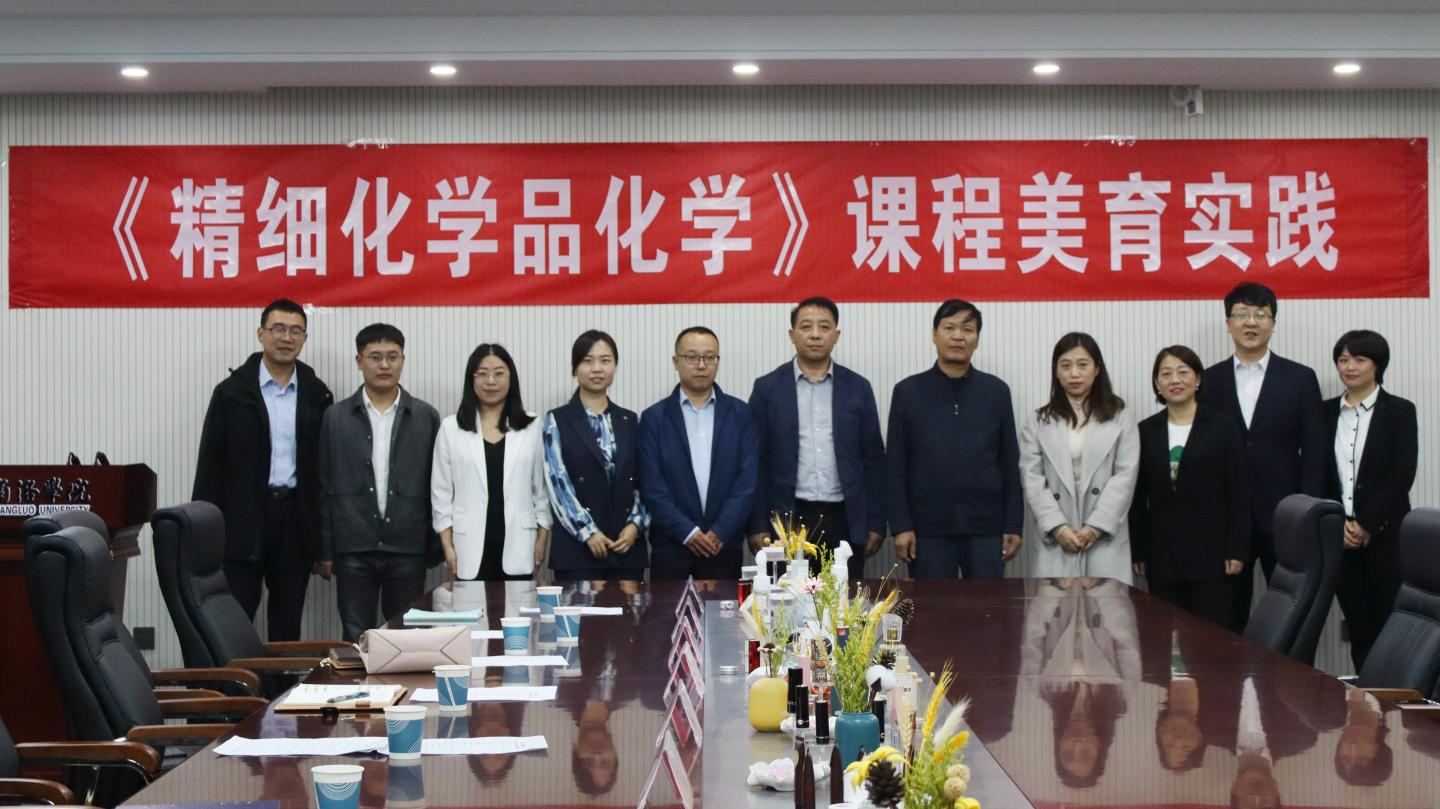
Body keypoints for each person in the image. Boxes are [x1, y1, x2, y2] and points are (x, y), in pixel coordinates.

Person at [193, 298, 333, 641]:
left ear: (304, 338)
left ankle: (282, 679)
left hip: (295, 522)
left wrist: (322, 543)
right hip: (242, 520)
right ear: (261, 334)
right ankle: (239, 679)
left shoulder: (317, 395)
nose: (286, 338)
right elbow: (210, 468)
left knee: (287, 624)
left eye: (296, 331)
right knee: (235, 620)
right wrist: (205, 537)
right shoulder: (231, 393)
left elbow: (324, 476)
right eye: (278, 329)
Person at [1198, 282, 1326, 633]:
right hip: (1226, 519)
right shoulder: (1208, 380)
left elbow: (1315, 451)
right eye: (1242, 314)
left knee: (1293, 615)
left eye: (1260, 314)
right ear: (1228, 323)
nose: (1251, 322)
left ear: (1273, 323)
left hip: (1285, 515)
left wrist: (1307, 510)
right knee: (1225, 618)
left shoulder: (1300, 378)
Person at [316, 323, 441, 642]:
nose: (384, 365)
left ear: (403, 360)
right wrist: (325, 549)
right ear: (359, 361)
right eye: (375, 357)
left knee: (407, 638)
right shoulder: (336, 417)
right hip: (353, 547)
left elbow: (437, 487)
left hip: (407, 547)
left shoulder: (425, 416)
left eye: (392, 357)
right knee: (357, 636)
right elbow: (324, 486)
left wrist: (433, 546)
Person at [747, 297, 886, 579]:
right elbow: (755, 462)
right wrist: (757, 525)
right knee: (787, 600)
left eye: (824, 327)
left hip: (845, 517)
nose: (815, 334)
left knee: (843, 599)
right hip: (787, 519)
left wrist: (876, 522)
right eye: (806, 326)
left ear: (836, 335)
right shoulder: (767, 388)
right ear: (792, 334)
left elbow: (873, 459)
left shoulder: (858, 387)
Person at [887, 299, 1022, 579]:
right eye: (949, 328)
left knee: (988, 605)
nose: (958, 336)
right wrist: (901, 525)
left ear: (977, 339)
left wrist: (1013, 524)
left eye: (967, 329)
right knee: (931, 606)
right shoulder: (908, 392)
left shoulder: (996, 392)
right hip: (927, 531)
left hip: (987, 529)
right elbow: (896, 466)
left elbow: (1009, 463)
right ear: (934, 334)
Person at [1130, 346, 1249, 628]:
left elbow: (1239, 492)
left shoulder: (1223, 427)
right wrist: (1139, 550)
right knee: (1165, 634)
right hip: (1162, 554)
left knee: (1211, 635)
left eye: (1183, 372)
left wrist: (1237, 549)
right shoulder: (1145, 431)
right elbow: (1137, 497)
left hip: (1213, 553)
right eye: (1166, 374)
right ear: (1157, 383)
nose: (1175, 380)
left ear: (1197, 379)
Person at [1323, 330, 1417, 672]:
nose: (1350, 367)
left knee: (1390, 623)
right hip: (1340, 538)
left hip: (1385, 536)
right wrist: (1338, 524)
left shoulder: (1400, 411)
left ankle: (1396, 697)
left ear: (1378, 366)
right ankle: (1366, 695)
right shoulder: (1324, 413)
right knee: (1358, 626)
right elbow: (1319, 474)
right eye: (1343, 360)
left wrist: (1366, 524)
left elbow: (1402, 473)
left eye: (1359, 359)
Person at [638, 326, 758, 580]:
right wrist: (687, 532)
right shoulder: (653, 418)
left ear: (718, 361)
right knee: (667, 608)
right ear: (676, 361)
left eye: (710, 357)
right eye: (692, 357)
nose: (702, 365)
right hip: (671, 547)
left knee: (725, 608)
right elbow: (652, 485)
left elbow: (747, 480)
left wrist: (722, 529)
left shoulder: (741, 414)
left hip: (723, 547)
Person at [1020, 332, 1139, 583]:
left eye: (1082, 365)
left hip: (1105, 538)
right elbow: (1032, 479)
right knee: (1055, 605)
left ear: (1097, 369)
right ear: (1056, 371)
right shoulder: (1038, 421)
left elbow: (1125, 476)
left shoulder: (1120, 416)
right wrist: (1058, 527)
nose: (1074, 373)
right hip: (1057, 540)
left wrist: (1096, 526)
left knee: (1106, 605)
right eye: (1066, 365)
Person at [431, 344, 551, 581]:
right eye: (482, 373)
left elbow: (543, 490)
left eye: (499, 373)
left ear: (511, 378)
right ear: (471, 379)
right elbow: (440, 493)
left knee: (519, 606)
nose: (491, 381)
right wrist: (447, 545)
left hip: (520, 543)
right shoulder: (451, 428)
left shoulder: (533, 426)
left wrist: (542, 539)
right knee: (471, 605)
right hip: (467, 547)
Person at [542, 330, 650, 583]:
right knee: (580, 612)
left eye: (605, 360)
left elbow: (645, 480)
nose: (597, 368)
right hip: (577, 550)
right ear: (574, 368)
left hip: (626, 547)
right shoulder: (557, 420)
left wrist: (635, 526)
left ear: (615, 366)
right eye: (587, 361)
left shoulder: (630, 420)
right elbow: (558, 484)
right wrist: (588, 532)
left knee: (630, 612)